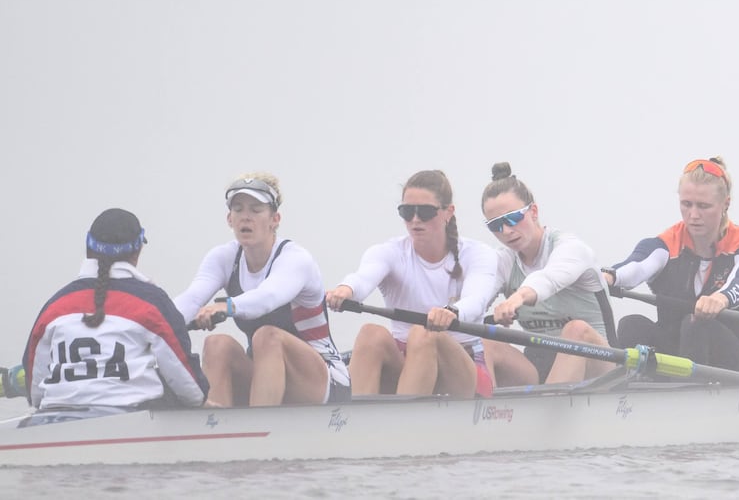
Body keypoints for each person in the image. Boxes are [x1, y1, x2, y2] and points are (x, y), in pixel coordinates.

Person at [173, 173, 350, 406]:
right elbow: (191, 299)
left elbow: (268, 296)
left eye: (256, 210)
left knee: (268, 336)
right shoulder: (223, 257)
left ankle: (258, 435)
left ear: (275, 219)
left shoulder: (295, 259)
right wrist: (154, 324)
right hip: (268, 378)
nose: (246, 217)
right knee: (217, 344)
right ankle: (214, 432)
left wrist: (225, 307)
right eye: (238, 209)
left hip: (325, 380)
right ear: (229, 219)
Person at [325, 169, 499, 398]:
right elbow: (362, 278)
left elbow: (476, 299)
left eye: (425, 212)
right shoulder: (389, 252)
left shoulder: (478, 254)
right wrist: (345, 290)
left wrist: (452, 312)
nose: (415, 219)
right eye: (407, 211)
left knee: (423, 334)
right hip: (408, 363)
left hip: (464, 368)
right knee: (370, 333)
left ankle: (402, 424)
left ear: (448, 212)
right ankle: (357, 425)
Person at [23, 208, 207, 420]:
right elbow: (191, 390)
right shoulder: (151, 302)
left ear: (87, 246)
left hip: (55, 417)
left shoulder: (54, 306)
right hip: (130, 419)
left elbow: (34, 392)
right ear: (137, 252)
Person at [604, 157, 739, 371]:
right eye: (686, 204)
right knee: (631, 325)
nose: (693, 215)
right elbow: (635, 267)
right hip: (677, 354)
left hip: (732, 362)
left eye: (703, 206)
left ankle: (689, 397)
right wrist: (606, 277)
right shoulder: (666, 244)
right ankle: (632, 396)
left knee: (695, 324)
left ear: (725, 204)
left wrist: (720, 299)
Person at [479, 161, 615, 386]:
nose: (505, 231)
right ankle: (485, 414)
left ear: (533, 211)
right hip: (539, 365)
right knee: (483, 341)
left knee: (576, 329)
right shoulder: (503, 260)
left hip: (601, 367)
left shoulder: (570, 248)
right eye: (495, 225)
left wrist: (516, 298)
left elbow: (547, 279)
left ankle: (545, 411)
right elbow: (476, 297)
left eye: (512, 218)